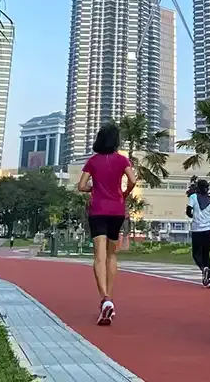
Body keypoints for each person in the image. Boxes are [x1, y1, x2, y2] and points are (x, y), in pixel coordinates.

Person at [77, 122, 136, 326]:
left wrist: (93, 188)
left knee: (99, 256)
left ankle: (105, 298)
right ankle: (108, 298)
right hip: (117, 211)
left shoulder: (92, 161)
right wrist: (123, 194)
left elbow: (81, 186)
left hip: (98, 211)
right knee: (112, 255)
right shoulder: (122, 160)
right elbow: (133, 180)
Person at [186, 178, 210, 288]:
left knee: (196, 254)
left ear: (198, 188)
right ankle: (209, 280)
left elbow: (188, 210)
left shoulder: (193, 197)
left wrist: (192, 215)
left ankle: (203, 269)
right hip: (208, 231)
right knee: (206, 255)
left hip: (197, 230)